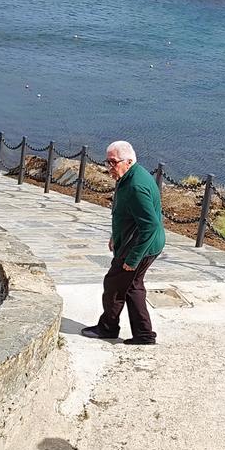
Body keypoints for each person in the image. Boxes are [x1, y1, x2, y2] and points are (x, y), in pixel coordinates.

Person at [80, 140, 166, 345]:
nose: (109, 167)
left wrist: (133, 258)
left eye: (113, 162)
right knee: (132, 287)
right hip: (137, 242)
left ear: (128, 161)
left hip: (140, 246)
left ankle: (108, 328)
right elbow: (128, 215)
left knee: (114, 286)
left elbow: (150, 226)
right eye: (107, 162)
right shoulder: (130, 176)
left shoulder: (136, 186)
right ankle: (143, 334)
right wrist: (115, 236)